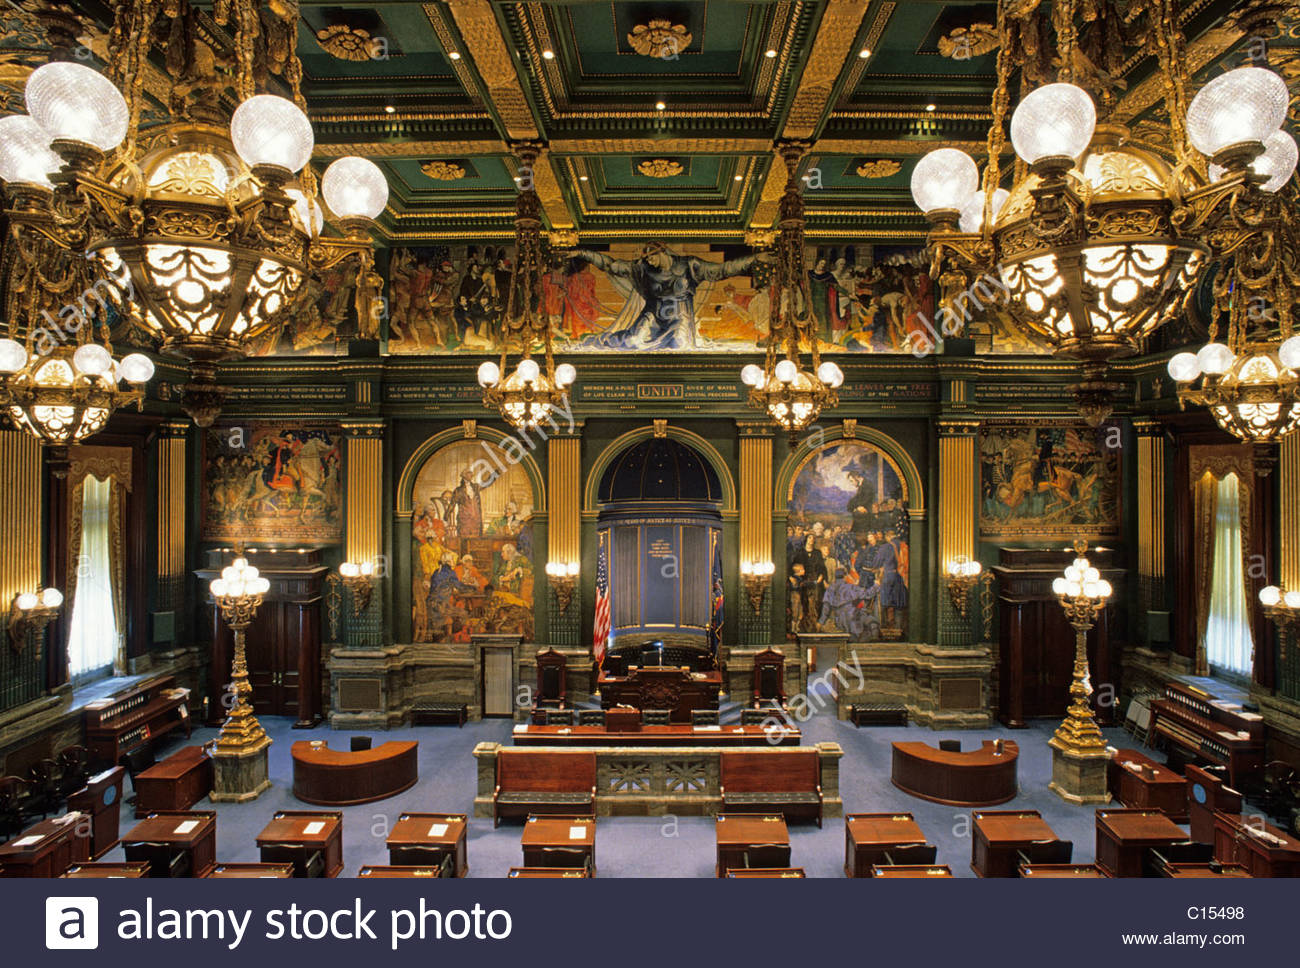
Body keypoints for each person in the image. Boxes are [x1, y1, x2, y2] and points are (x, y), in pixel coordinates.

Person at [566, 242, 760, 350]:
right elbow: (611, 265)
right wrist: (584, 253)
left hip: (679, 318)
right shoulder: (642, 268)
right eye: (647, 259)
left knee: (678, 345)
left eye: (652, 257)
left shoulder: (690, 265)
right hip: (652, 315)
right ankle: (600, 341)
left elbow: (724, 269)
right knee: (632, 342)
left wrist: (754, 259)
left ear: (662, 252)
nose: (649, 261)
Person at [819, 568, 881, 641]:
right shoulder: (851, 587)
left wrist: (821, 622)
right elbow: (867, 594)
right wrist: (876, 585)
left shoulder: (830, 589)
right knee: (873, 624)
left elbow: (826, 609)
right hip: (853, 622)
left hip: (840, 623)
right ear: (845, 576)